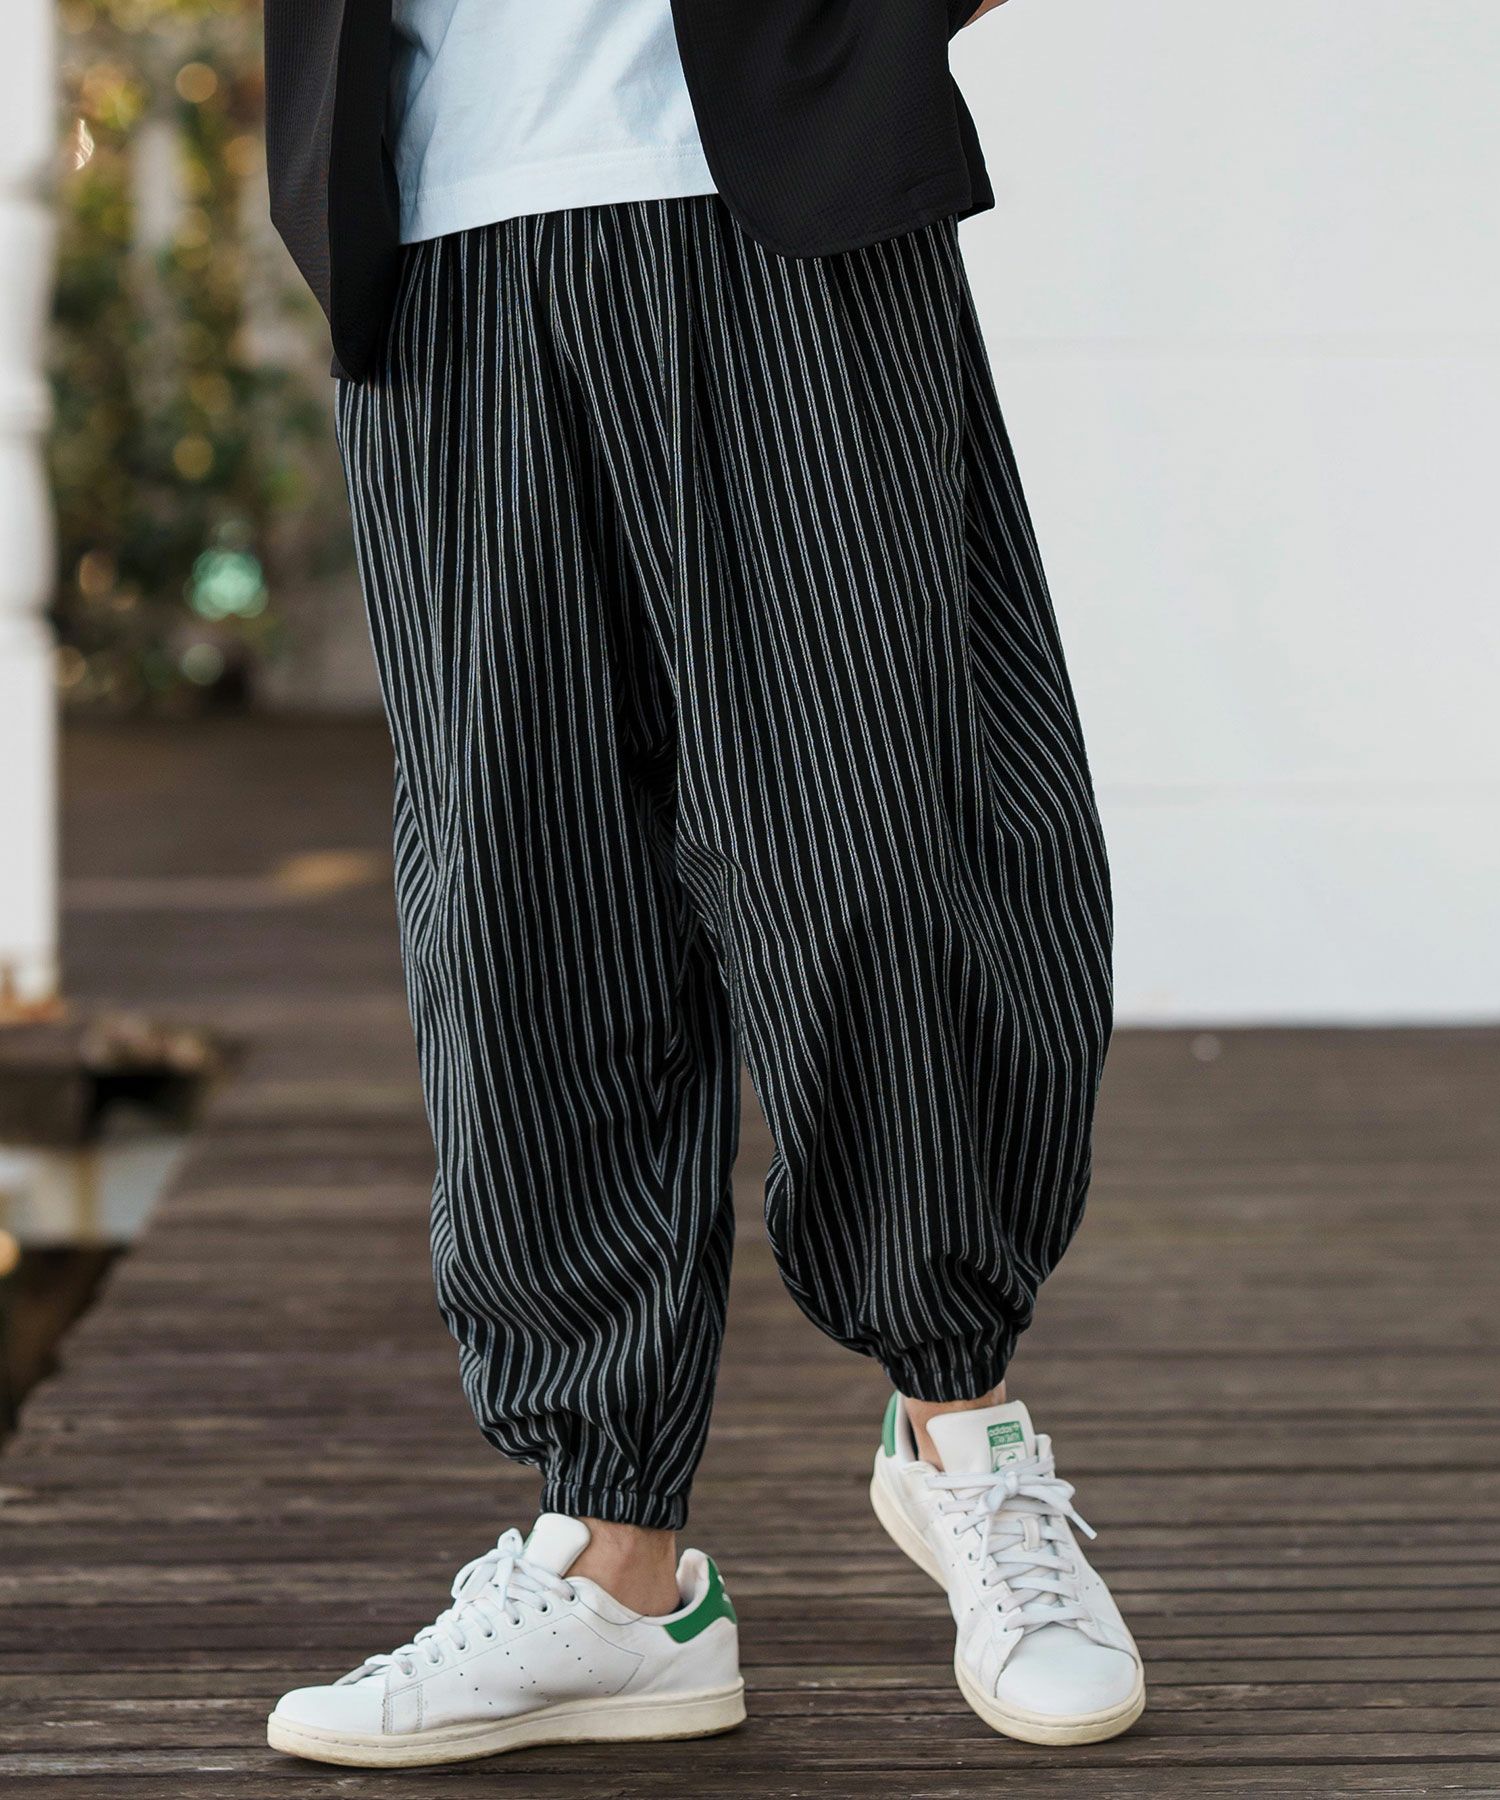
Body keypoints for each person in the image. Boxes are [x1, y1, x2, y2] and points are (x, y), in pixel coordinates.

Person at [259, 0, 1143, 1767]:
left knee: (883, 844)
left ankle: (964, 1431)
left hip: (775, 202)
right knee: (523, 904)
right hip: (439, 229)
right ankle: (615, 1572)